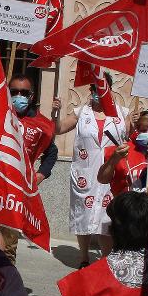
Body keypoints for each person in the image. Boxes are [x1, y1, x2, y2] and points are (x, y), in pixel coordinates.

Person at [56, 77, 127, 267]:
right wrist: (56, 112)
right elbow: (59, 128)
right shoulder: (82, 112)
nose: (97, 91)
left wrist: (137, 123)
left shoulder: (122, 113)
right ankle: (84, 258)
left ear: (110, 89)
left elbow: (132, 138)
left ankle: (105, 260)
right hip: (85, 174)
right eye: (93, 87)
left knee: (107, 216)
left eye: (101, 87)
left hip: (111, 173)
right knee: (83, 215)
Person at [0, 74, 58, 261]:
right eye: (14, 91)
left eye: (23, 92)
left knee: (7, 245)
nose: (19, 95)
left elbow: (51, 152)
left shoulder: (42, 125)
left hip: (16, 191)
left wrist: (40, 175)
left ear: (31, 96)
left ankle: (5, 282)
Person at [97, 110, 148, 200]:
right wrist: (114, 159)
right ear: (137, 130)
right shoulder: (122, 150)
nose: (147, 133)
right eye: (143, 130)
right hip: (126, 209)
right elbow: (102, 179)